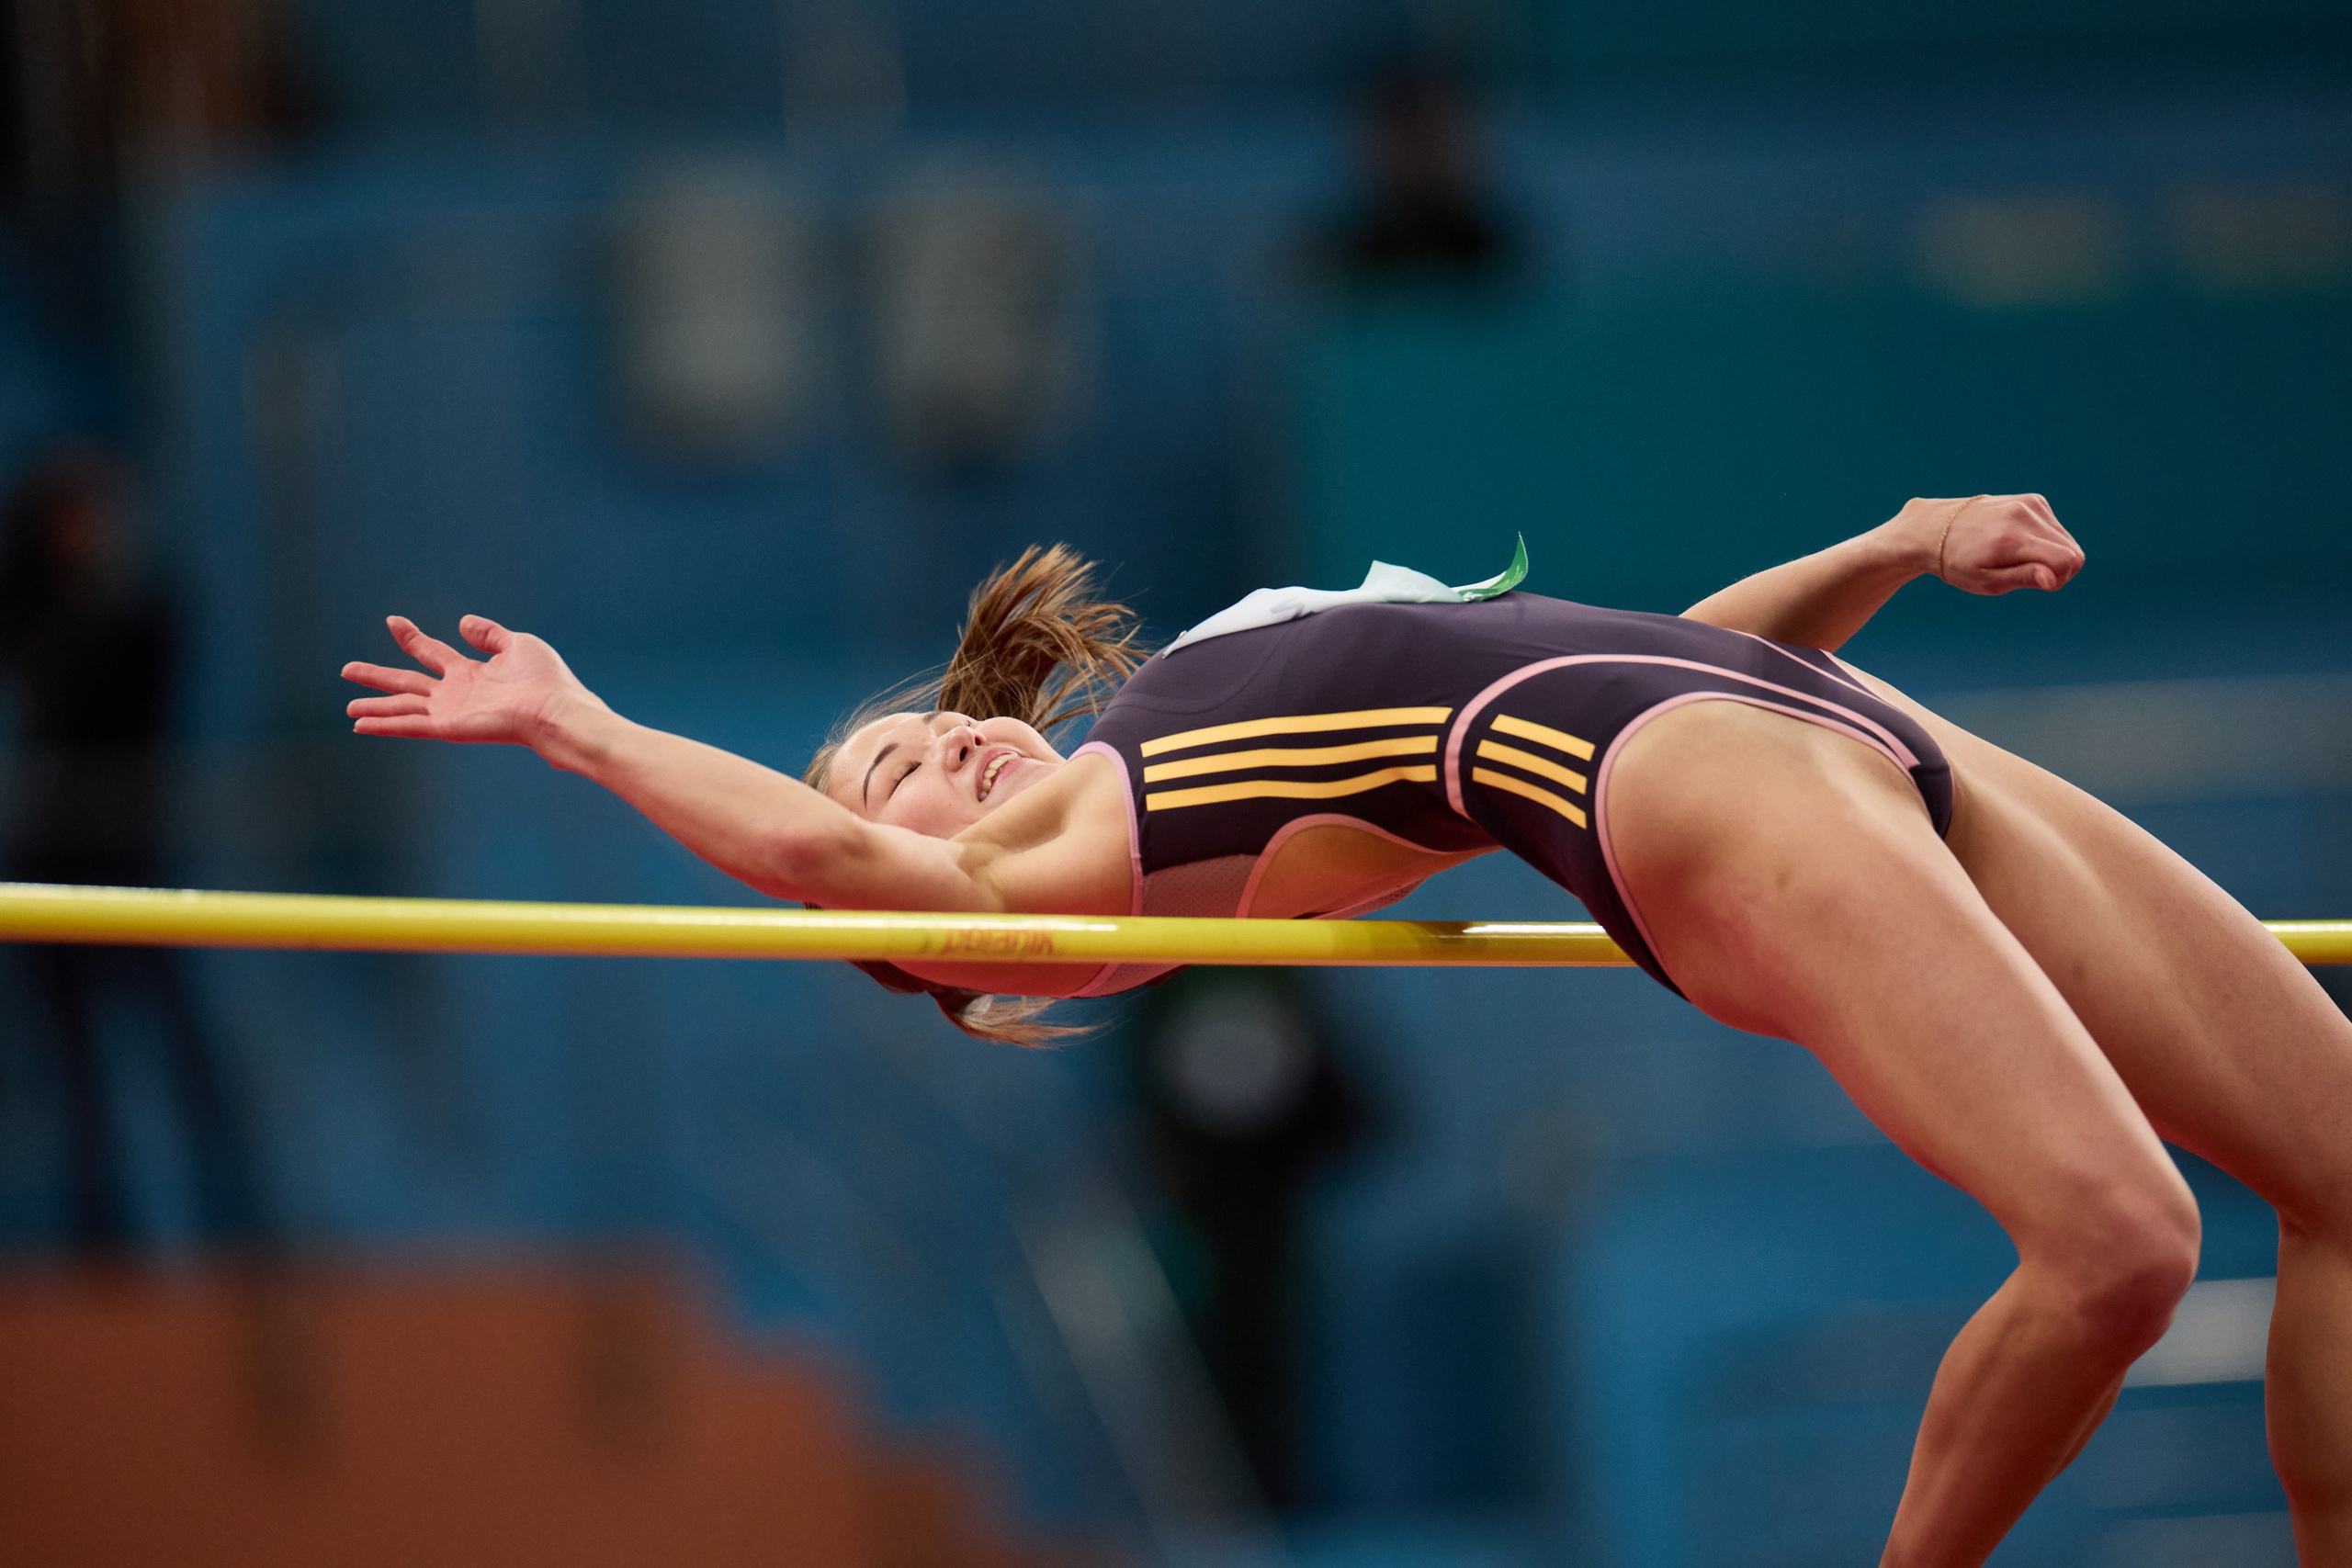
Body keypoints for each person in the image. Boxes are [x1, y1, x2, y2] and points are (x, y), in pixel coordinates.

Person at [342, 497, 2352, 1567]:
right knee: (2118, 1246)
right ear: (957, 956)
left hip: (1780, 709)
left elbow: (1662, 650)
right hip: (1700, 778)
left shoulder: (1143, 755)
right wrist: (581, 726)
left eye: (918, 727)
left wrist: (1894, 543)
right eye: (893, 780)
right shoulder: (1051, 878)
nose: (939, 746)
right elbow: (816, 859)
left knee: (2337, 1173)